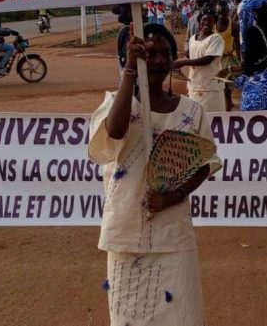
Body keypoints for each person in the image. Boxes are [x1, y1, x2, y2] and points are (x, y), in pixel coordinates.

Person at [88, 23, 220, 326]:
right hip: (126, 233)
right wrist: (129, 72)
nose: (159, 61)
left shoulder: (191, 111)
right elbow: (115, 131)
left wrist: (175, 196)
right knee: (129, 316)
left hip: (173, 235)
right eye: (149, 54)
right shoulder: (115, 103)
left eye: (165, 53)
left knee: (181, 316)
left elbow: (205, 163)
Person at [174, 9, 226, 113]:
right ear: (199, 21)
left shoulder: (216, 39)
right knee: (195, 117)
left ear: (214, 23)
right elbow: (191, 54)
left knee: (211, 117)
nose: (206, 23)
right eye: (204, 20)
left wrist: (182, 62)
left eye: (210, 21)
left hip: (211, 88)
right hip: (194, 86)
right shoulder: (193, 38)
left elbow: (207, 60)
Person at [213, 0, 239, 111]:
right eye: (218, 12)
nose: (220, 15)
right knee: (221, 89)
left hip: (228, 60)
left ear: (228, 12)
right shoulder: (213, 25)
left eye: (223, 12)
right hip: (216, 60)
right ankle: (227, 106)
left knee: (226, 89)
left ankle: (227, 112)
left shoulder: (233, 25)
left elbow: (238, 44)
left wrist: (240, 61)